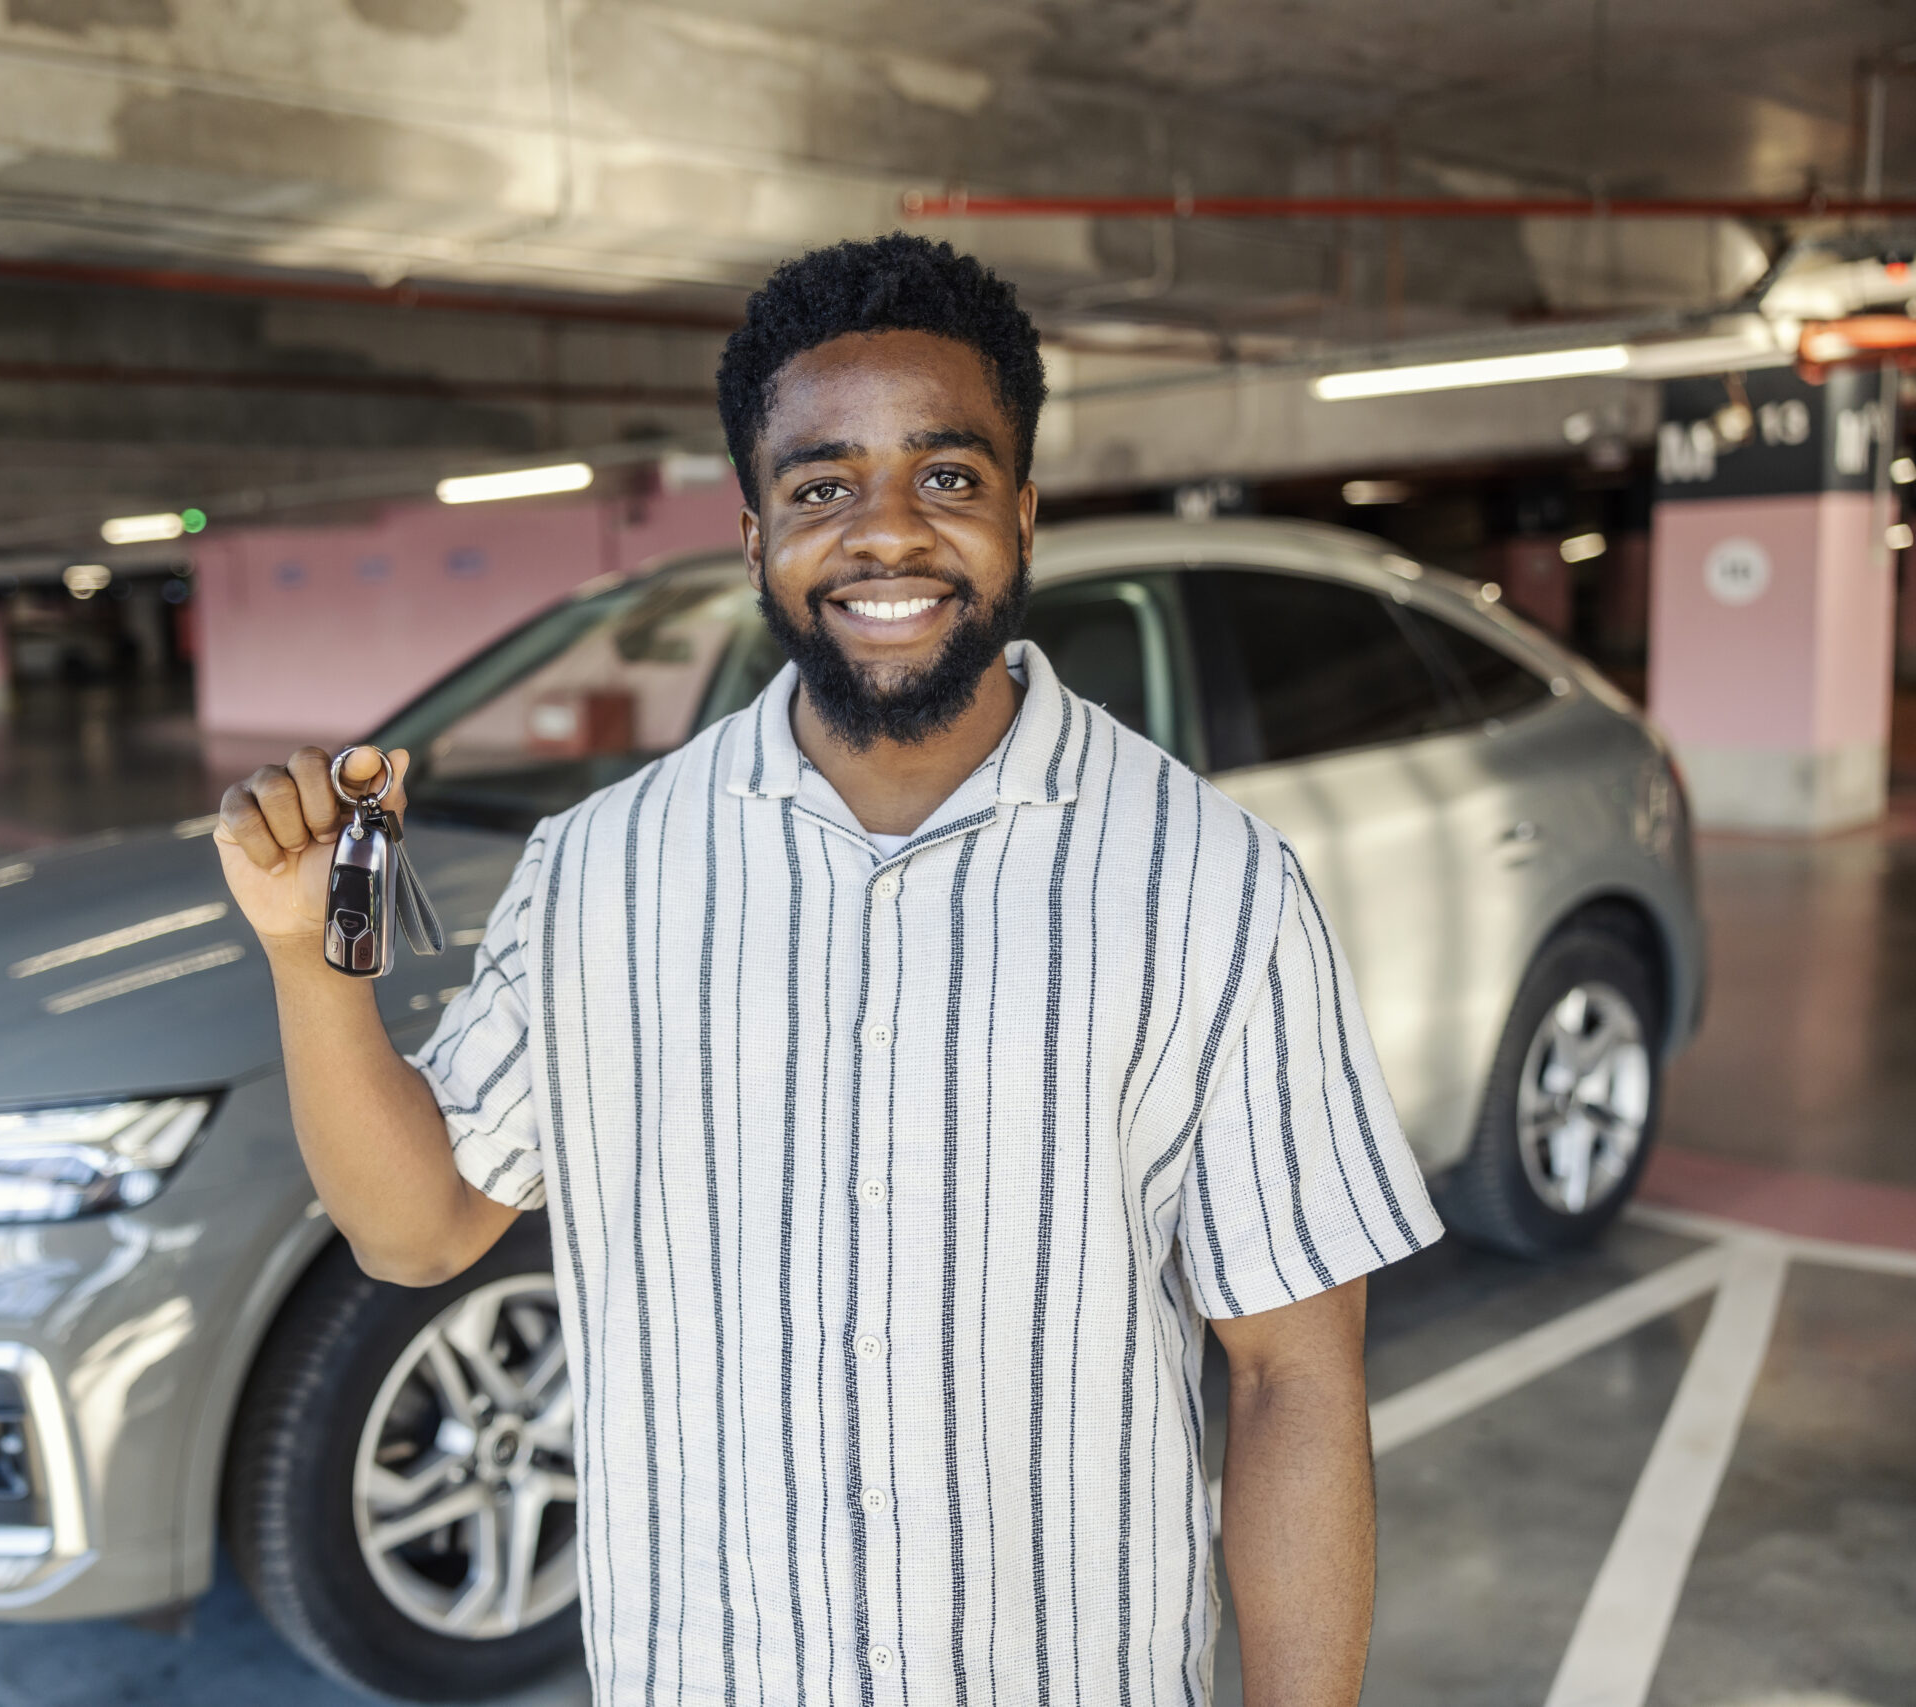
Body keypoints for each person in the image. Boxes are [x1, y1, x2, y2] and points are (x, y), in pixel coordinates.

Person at [215, 233, 1441, 1707]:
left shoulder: (1212, 883)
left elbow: (1292, 1379)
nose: (886, 535)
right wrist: (309, 961)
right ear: (754, 537)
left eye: (947, 475)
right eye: (820, 486)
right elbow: (418, 1234)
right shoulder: (603, 871)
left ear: (1024, 516)